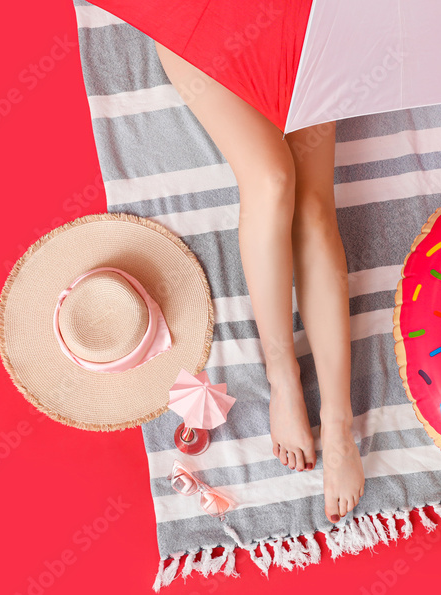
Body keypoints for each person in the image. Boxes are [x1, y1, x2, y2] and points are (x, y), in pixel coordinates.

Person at [154, 42, 364, 523]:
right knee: (271, 178)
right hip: (195, 11)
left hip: (301, 13)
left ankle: (338, 421)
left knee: (312, 209)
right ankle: (283, 376)